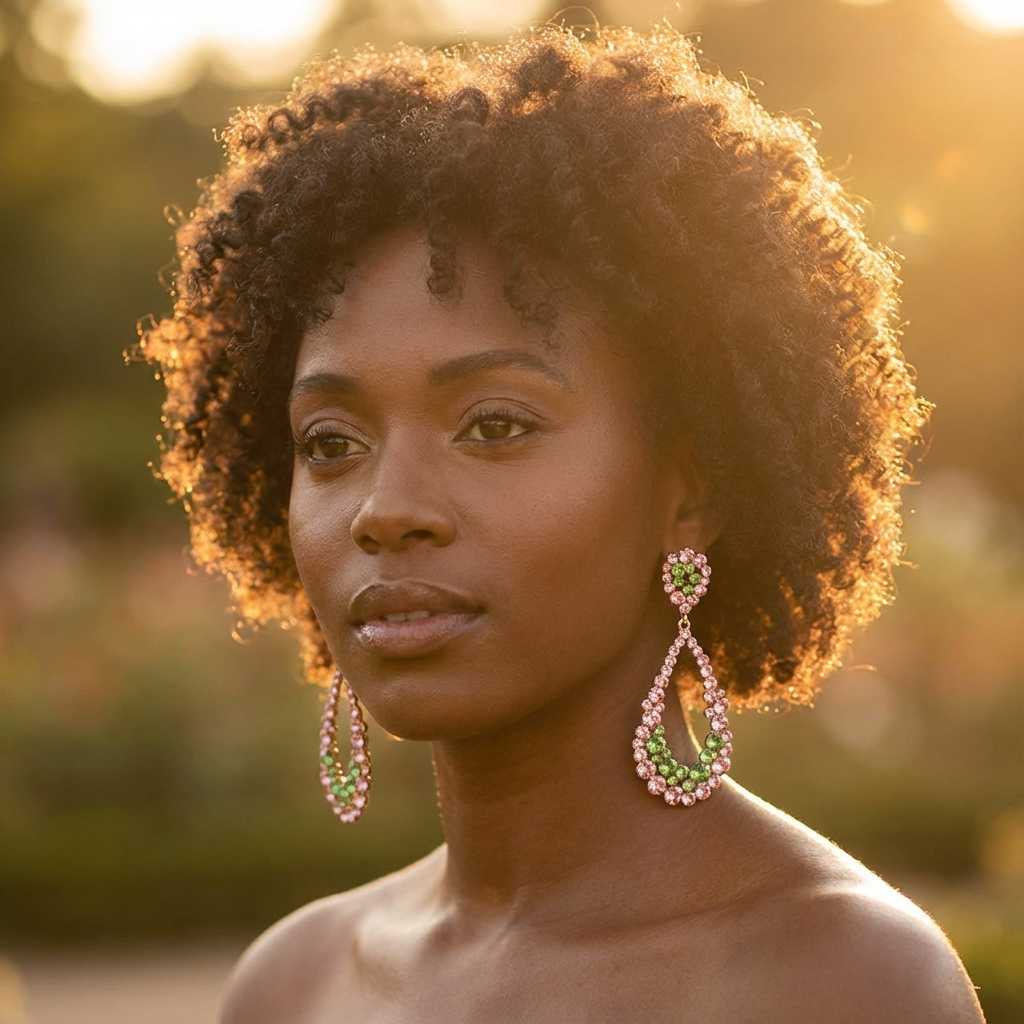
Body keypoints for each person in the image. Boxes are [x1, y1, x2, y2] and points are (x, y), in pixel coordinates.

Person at [142, 25, 984, 1023]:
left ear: (692, 490)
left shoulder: (840, 979)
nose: (386, 509)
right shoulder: (295, 982)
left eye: (494, 425)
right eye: (329, 443)